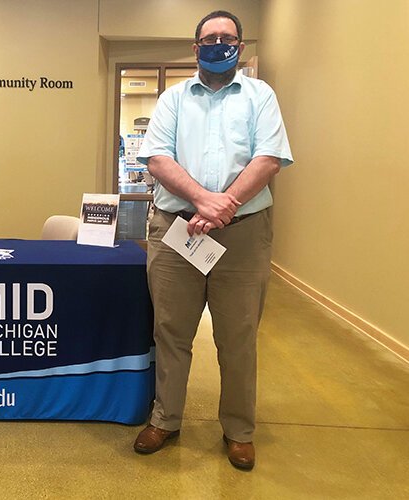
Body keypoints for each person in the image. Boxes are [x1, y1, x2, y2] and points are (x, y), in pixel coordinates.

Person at [132, 10, 293, 470]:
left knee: (238, 337)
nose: (218, 44)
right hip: (175, 232)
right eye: (209, 38)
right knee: (171, 331)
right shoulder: (173, 99)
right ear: (194, 46)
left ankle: (239, 430)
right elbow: (157, 159)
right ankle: (165, 418)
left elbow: (269, 159)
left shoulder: (261, 96)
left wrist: (224, 206)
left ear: (239, 47)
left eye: (227, 37)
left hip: (243, 236)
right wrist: (205, 200)